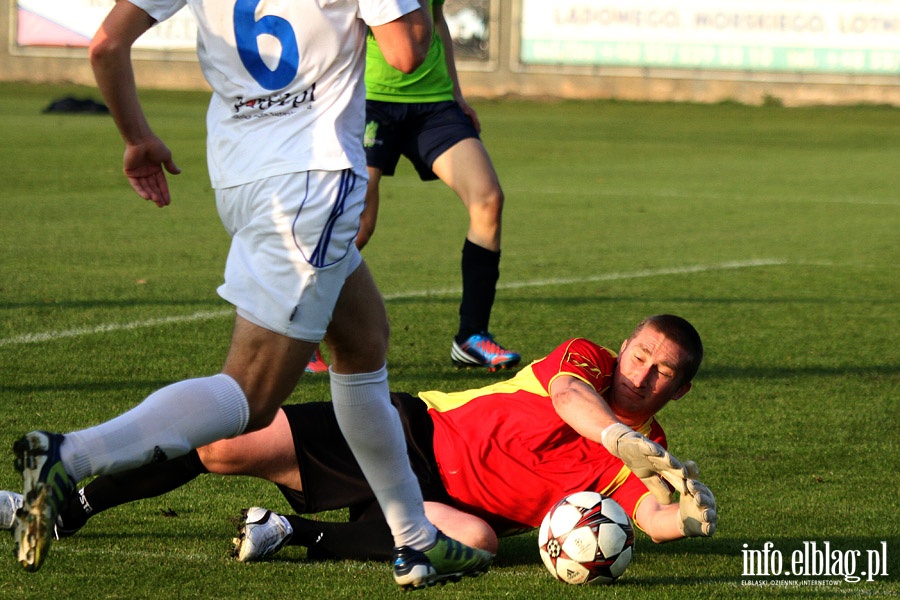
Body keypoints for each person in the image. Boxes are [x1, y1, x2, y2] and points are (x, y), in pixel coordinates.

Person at [11, 0, 495, 589]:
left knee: (364, 343)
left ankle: (416, 541)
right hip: (313, 179)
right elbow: (405, 49)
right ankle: (69, 457)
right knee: (251, 393)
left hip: (243, 176)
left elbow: (105, 45)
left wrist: (137, 137)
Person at [3, 315, 716, 564]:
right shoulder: (585, 361)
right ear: (622, 348)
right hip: (405, 433)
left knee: (480, 541)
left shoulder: (645, 456)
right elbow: (570, 399)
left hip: (446, 507)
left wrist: (682, 513)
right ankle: (68, 505)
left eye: (664, 375)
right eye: (641, 358)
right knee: (222, 448)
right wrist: (621, 439)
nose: (645, 375)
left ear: (680, 392)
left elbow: (646, 519)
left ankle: (295, 535)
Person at [306, 0, 518, 374]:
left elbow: (436, 20)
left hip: (434, 106)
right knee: (358, 226)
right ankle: (302, 335)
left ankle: (471, 337)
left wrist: (455, 93)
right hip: (370, 101)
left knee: (488, 200)